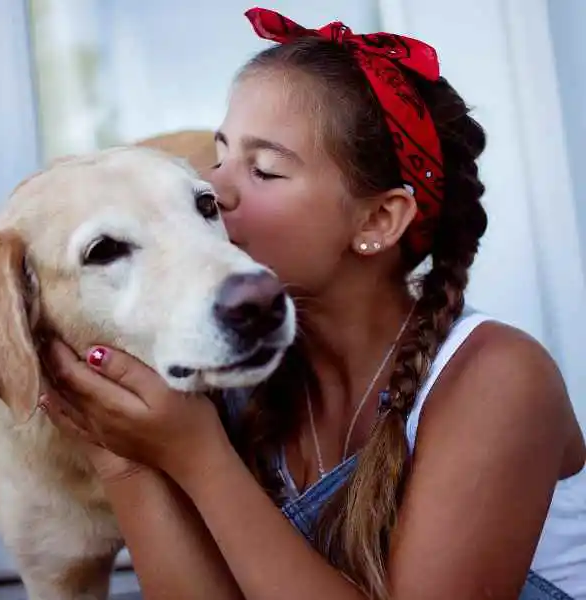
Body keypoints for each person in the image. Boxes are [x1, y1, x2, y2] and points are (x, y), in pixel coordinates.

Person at [39, 8, 586, 600]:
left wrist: (200, 460)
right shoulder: (236, 380)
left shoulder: (497, 380)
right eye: (219, 158)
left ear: (378, 220)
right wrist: (127, 459)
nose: (213, 191)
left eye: (264, 170)